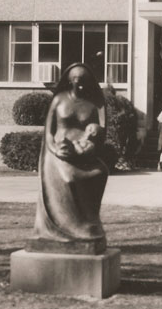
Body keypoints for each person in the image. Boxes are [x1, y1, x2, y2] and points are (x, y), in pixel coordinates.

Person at [31, 63, 109, 252]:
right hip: (59, 152)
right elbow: (48, 132)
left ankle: (89, 222)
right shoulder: (59, 99)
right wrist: (56, 149)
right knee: (70, 178)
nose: (80, 86)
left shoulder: (94, 104)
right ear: (69, 81)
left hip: (83, 153)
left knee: (101, 171)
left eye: (84, 83)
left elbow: (100, 132)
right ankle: (67, 228)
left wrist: (93, 146)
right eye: (76, 82)